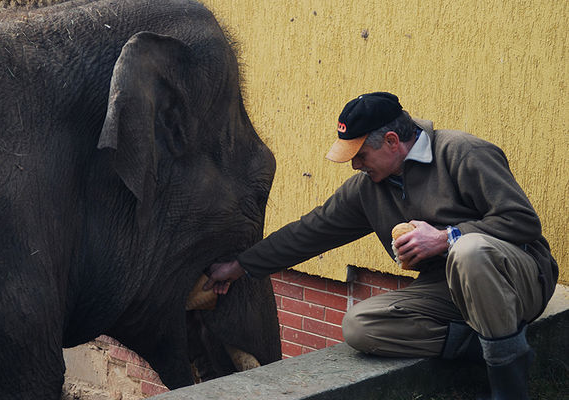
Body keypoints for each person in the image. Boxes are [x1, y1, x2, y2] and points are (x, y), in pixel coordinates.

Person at [203, 92, 557, 399]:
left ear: (391, 141)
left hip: (517, 279)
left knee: (469, 250)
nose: (355, 165)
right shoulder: (368, 188)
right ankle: (489, 345)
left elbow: (522, 222)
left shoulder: (463, 153)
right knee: (360, 327)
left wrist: (445, 237)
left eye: (360, 154)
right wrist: (240, 266)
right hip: (449, 288)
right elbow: (309, 232)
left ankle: (508, 387)